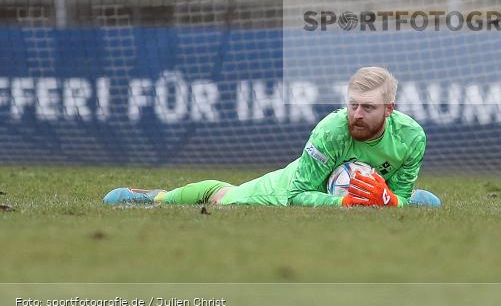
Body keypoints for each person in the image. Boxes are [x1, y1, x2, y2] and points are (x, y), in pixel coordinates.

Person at [103, 67, 440, 208]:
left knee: (426, 203)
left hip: (356, 196)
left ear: (390, 109)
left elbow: (398, 197)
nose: (356, 114)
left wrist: (391, 200)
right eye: (352, 105)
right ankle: (157, 197)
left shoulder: (412, 138)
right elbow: (297, 195)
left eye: (368, 107)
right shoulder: (331, 130)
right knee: (225, 200)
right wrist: (343, 203)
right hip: (290, 185)